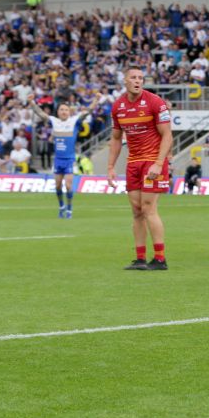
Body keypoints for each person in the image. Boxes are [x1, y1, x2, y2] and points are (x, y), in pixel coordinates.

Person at [107, 67, 174, 270]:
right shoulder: (118, 106)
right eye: (133, 78)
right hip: (133, 162)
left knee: (148, 208)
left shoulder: (155, 102)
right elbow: (116, 138)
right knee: (136, 211)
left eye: (140, 78)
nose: (138, 81)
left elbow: (167, 135)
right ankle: (140, 259)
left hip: (152, 161)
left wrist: (158, 162)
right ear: (125, 81)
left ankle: (160, 259)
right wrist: (110, 166)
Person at [29, 97, 98, 219]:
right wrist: (32, 103)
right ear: (58, 112)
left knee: (68, 186)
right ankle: (61, 206)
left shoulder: (74, 121)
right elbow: (41, 114)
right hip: (58, 159)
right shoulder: (54, 121)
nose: (64, 111)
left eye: (66, 109)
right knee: (57, 186)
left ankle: (70, 208)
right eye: (61, 109)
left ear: (70, 112)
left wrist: (96, 99)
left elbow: (88, 111)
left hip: (69, 159)